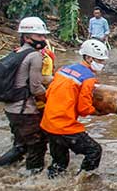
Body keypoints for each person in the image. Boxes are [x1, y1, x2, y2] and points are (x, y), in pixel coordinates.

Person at [41, 39, 108, 178]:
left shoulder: (63, 70)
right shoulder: (88, 78)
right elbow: (84, 109)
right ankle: (83, 181)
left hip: (48, 123)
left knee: (59, 163)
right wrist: (99, 112)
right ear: (89, 58)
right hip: (64, 126)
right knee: (94, 151)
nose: (102, 64)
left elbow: (47, 94)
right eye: (100, 60)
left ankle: (51, 186)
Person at [0, 17, 50, 172]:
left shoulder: (16, 53)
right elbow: (36, 88)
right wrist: (51, 98)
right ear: (26, 37)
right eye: (39, 36)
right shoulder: (35, 56)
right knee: (37, 146)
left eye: (44, 35)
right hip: (25, 111)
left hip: (11, 109)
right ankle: (32, 181)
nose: (43, 39)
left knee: (20, 146)